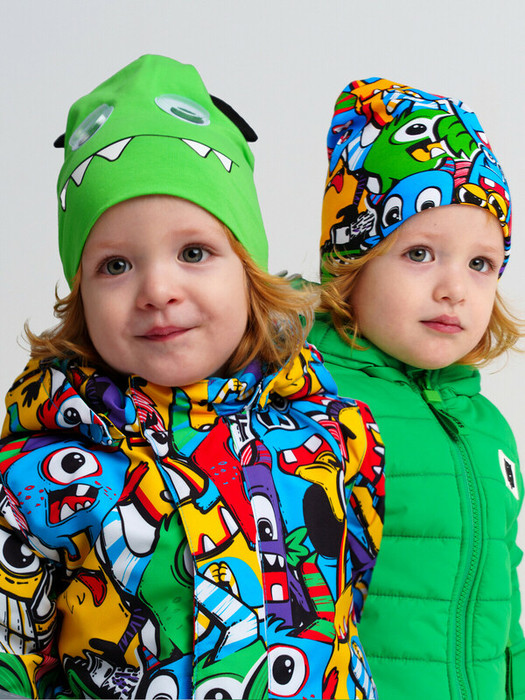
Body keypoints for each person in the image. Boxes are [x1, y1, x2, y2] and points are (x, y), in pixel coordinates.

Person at [0, 56, 385, 700]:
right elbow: (12, 656)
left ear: (249, 273)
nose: (158, 289)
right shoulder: (37, 478)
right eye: (116, 265)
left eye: (194, 252)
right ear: (81, 297)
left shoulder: (337, 435)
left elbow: (347, 615)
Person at [308, 77, 525, 699]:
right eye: (420, 253)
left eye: (480, 264)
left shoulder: (485, 427)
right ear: (350, 263)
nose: (453, 289)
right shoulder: (311, 403)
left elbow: (503, 605)